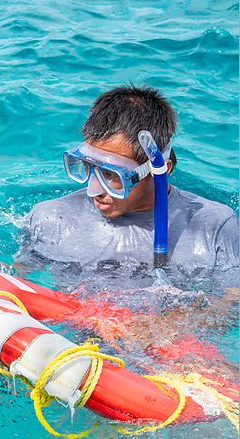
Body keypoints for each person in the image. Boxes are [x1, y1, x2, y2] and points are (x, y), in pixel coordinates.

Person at [16, 84, 239, 292]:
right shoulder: (50, 219)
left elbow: (232, 300)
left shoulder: (214, 227)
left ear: (160, 170)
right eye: (88, 167)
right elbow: (18, 285)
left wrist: (175, 323)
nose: (94, 189)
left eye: (112, 175)